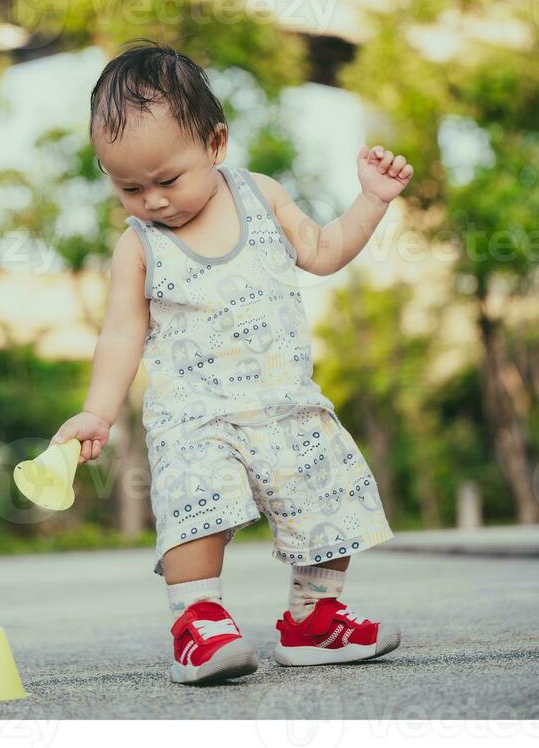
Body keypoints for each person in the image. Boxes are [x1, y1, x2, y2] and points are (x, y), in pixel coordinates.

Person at [49, 39, 414, 685]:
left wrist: (373, 201)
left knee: (326, 497)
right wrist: (96, 412)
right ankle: (199, 625)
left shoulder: (260, 195)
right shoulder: (137, 248)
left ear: (216, 145)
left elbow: (324, 251)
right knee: (198, 505)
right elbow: (120, 335)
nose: (153, 200)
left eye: (167, 179)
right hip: (195, 415)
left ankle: (316, 619)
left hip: (286, 402)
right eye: (129, 187)